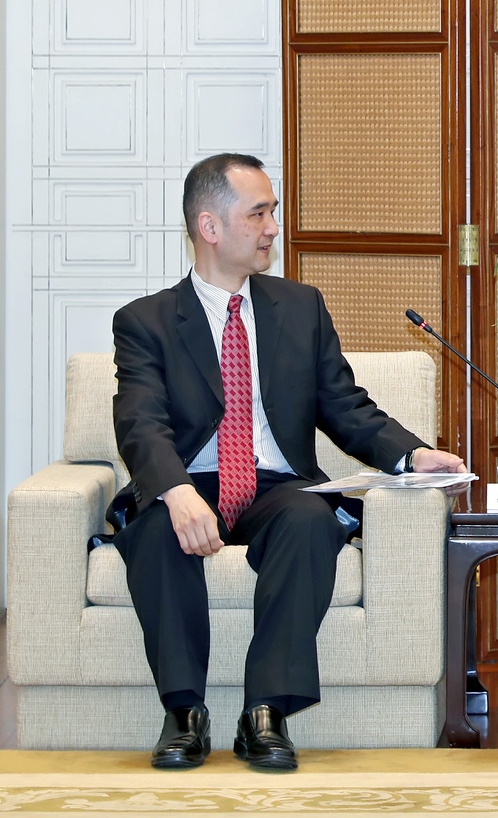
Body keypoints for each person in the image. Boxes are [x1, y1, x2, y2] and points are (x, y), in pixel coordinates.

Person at [108, 152, 468, 771]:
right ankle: (184, 713)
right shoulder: (146, 321)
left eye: (272, 212)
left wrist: (412, 454)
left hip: (276, 485)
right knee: (161, 529)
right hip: (192, 481)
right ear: (209, 226)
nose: (273, 228)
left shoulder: (300, 308)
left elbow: (345, 406)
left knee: (310, 521)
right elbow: (140, 421)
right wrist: (175, 490)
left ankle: (265, 712)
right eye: (258, 214)